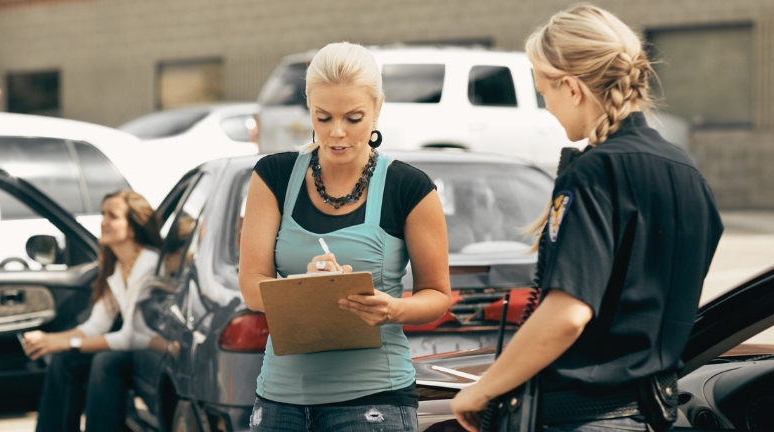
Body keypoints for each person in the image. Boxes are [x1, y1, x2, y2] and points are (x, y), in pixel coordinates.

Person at [450, 5, 724, 432]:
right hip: (658, 413)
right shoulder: (687, 173)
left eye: (545, 93)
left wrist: (482, 389)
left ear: (572, 87)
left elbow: (567, 314)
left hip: (582, 417)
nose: (547, 108)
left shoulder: (594, 171)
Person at [238, 42, 453, 432]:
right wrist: (303, 287)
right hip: (280, 400)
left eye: (354, 118)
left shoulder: (409, 187)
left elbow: (437, 296)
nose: (337, 133)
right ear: (310, 109)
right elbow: (252, 287)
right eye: (323, 118)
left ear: (378, 107)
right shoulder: (273, 177)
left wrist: (391, 308)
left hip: (374, 400)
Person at [22, 190, 171, 432]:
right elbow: (96, 326)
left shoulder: (148, 265)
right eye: (103, 214)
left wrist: (64, 342)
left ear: (132, 227)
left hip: (153, 351)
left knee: (105, 361)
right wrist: (50, 341)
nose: (103, 222)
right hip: (135, 346)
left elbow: (131, 337)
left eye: (112, 216)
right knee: (64, 359)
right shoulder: (116, 268)